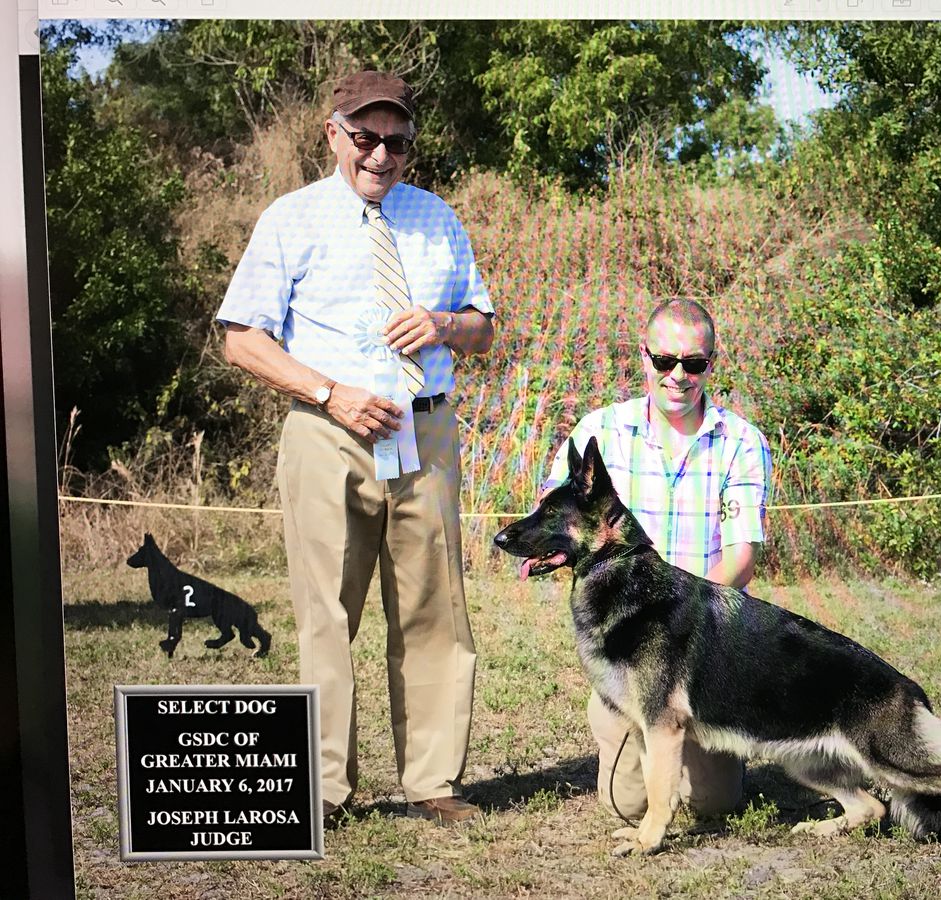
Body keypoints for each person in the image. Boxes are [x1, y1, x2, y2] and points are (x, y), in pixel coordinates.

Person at [216, 70, 494, 826]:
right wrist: (329, 392)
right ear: (333, 133)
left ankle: (434, 783)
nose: (382, 155)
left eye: (397, 141)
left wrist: (441, 324)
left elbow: (484, 328)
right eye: (366, 137)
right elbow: (242, 340)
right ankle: (326, 790)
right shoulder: (290, 218)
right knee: (326, 617)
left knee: (435, 612)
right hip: (327, 433)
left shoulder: (437, 218)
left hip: (425, 431)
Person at [542, 298, 772, 821]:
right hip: (631, 650)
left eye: (693, 363)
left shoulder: (741, 442)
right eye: (665, 361)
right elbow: (559, 519)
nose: (678, 376)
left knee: (712, 803)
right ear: (643, 356)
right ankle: (614, 709)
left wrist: (676, 629)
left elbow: (741, 557)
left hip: (705, 644)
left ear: (710, 363)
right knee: (627, 804)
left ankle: (707, 742)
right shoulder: (599, 432)